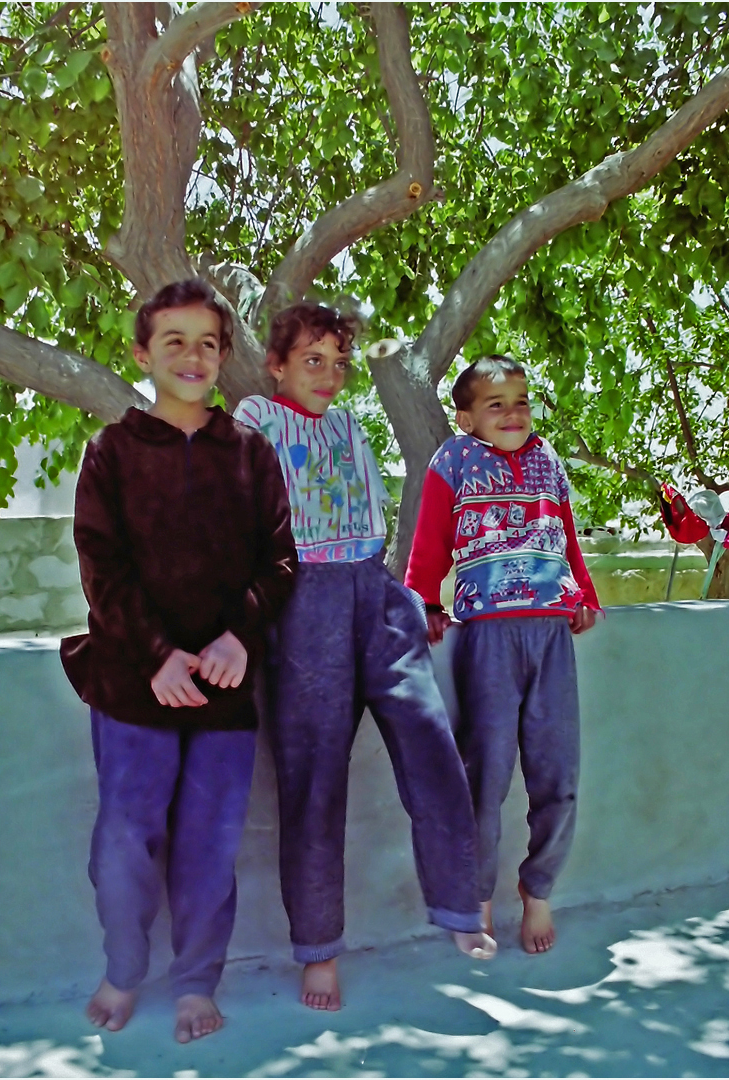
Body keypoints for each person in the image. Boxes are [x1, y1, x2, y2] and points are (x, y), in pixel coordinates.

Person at [234, 302, 495, 1012]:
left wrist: (410, 601)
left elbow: (374, 520)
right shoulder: (255, 419)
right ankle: (319, 951)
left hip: (374, 590)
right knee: (314, 778)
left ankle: (458, 906)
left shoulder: (350, 426)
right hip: (305, 599)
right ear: (278, 365)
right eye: (312, 360)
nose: (329, 374)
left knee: (432, 743)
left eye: (339, 362)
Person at [60, 279, 297, 1042]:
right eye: (174, 341)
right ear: (142, 353)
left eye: (207, 342)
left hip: (226, 691)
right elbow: (100, 565)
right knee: (125, 842)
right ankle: (124, 968)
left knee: (209, 845)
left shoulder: (253, 455)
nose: (192, 356)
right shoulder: (113, 453)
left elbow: (281, 563)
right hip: (134, 685)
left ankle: (197, 981)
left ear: (224, 356)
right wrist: (158, 655)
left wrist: (237, 639)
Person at [405, 355, 601, 954]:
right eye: (496, 403)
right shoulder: (454, 461)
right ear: (466, 417)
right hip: (487, 636)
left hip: (549, 635)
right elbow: (429, 542)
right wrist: (423, 604)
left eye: (521, 399)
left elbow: (566, 536)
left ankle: (536, 890)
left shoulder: (549, 462)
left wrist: (584, 594)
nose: (513, 413)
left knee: (558, 773)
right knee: (483, 777)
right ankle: (478, 898)